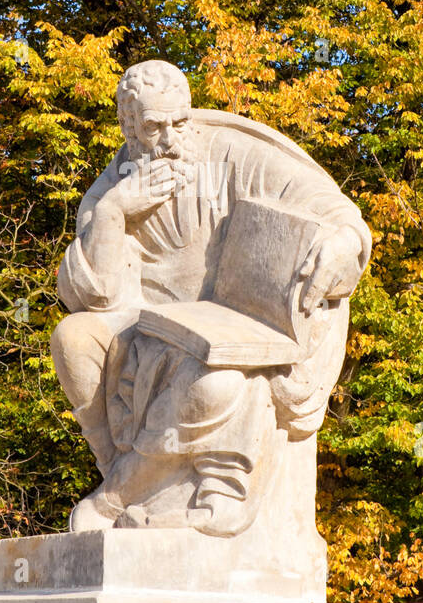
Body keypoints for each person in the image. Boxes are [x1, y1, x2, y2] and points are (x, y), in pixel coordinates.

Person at [51, 59, 371, 536]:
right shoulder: (114, 187)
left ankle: (119, 494)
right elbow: (93, 294)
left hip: (235, 327)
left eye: (180, 121)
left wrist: (345, 242)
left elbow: (329, 206)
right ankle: (124, 479)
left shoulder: (231, 152)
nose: (171, 138)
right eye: (155, 127)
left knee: (214, 384)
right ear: (130, 127)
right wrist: (116, 214)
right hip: (147, 323)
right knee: (72, 339)